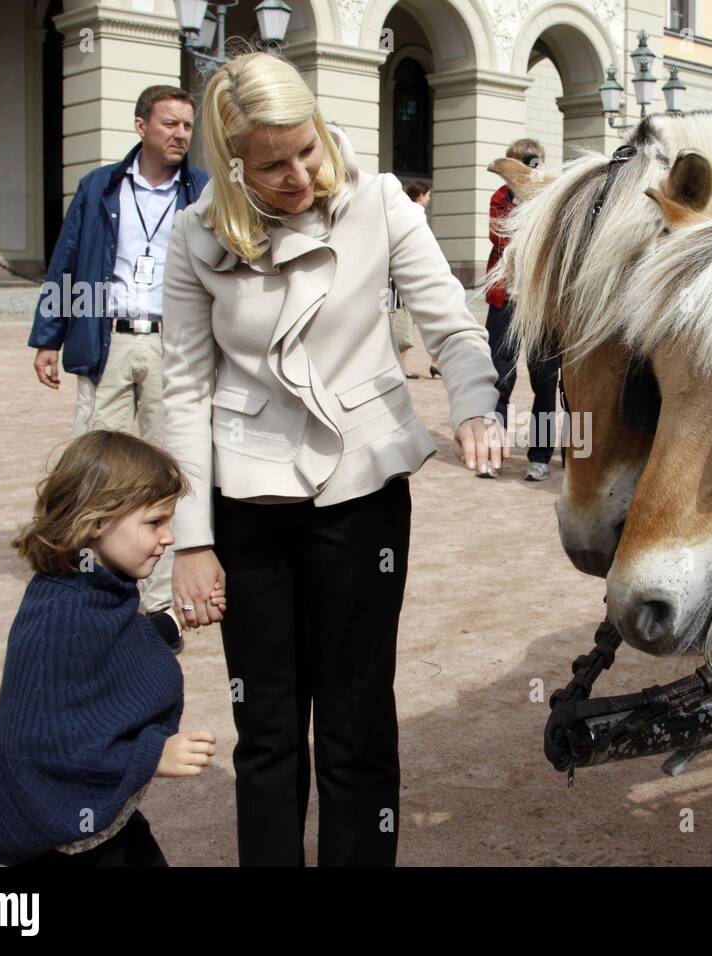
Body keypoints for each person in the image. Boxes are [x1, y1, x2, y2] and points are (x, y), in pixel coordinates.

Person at [162, 52, 505, 867]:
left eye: (306, 150)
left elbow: (451, 329)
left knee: (356, 720)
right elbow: (180, 391)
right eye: (271, 163)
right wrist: (190, 538)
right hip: (246, 498)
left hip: (361, 493)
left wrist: (475, 407)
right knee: (268, 729)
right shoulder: (195, 234)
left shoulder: (381, 201)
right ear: (232, 160)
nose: (298, 176)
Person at [0, 430, 224, 867]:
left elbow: (113, 647)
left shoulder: (95, 584)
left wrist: (169, 624)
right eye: (154, 523)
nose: (168, 538)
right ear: (97, 521)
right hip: (52, 847)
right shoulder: (58, 616)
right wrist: (149, 755)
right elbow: (42, 741)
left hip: (103, 829)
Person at [26, 85, 209, 633]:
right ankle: (88, 583)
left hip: (173, 344)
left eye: (187, 126)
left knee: (166, 468)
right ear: (141, 127)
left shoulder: (201, 190)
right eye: (170, 124)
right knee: (94, 464)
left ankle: (154, 604)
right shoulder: (100, 186)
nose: (180, 134)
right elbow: (65, 259)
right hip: (107, 337)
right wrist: (47, 336)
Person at [483, 139, 561, 481]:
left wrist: (540, 193)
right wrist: (520, 196)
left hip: (541, 308)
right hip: (506, 302)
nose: (529, 170)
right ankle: (493, 451)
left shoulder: (554, 197)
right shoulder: (501, 200)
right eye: (522, 165)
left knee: (545, 383)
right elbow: (502, 239)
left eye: (535, 163)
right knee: (498, 380)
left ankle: (540, 456)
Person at [389, 180, 432, 378]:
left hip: (397, 279)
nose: (429, 199)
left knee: (404, 320)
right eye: (428, 195)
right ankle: (402, 365)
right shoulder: (417, 214)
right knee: (406, 321)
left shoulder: (403, 211)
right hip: (409, 278)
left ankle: (409, 364)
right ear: (420, 195)